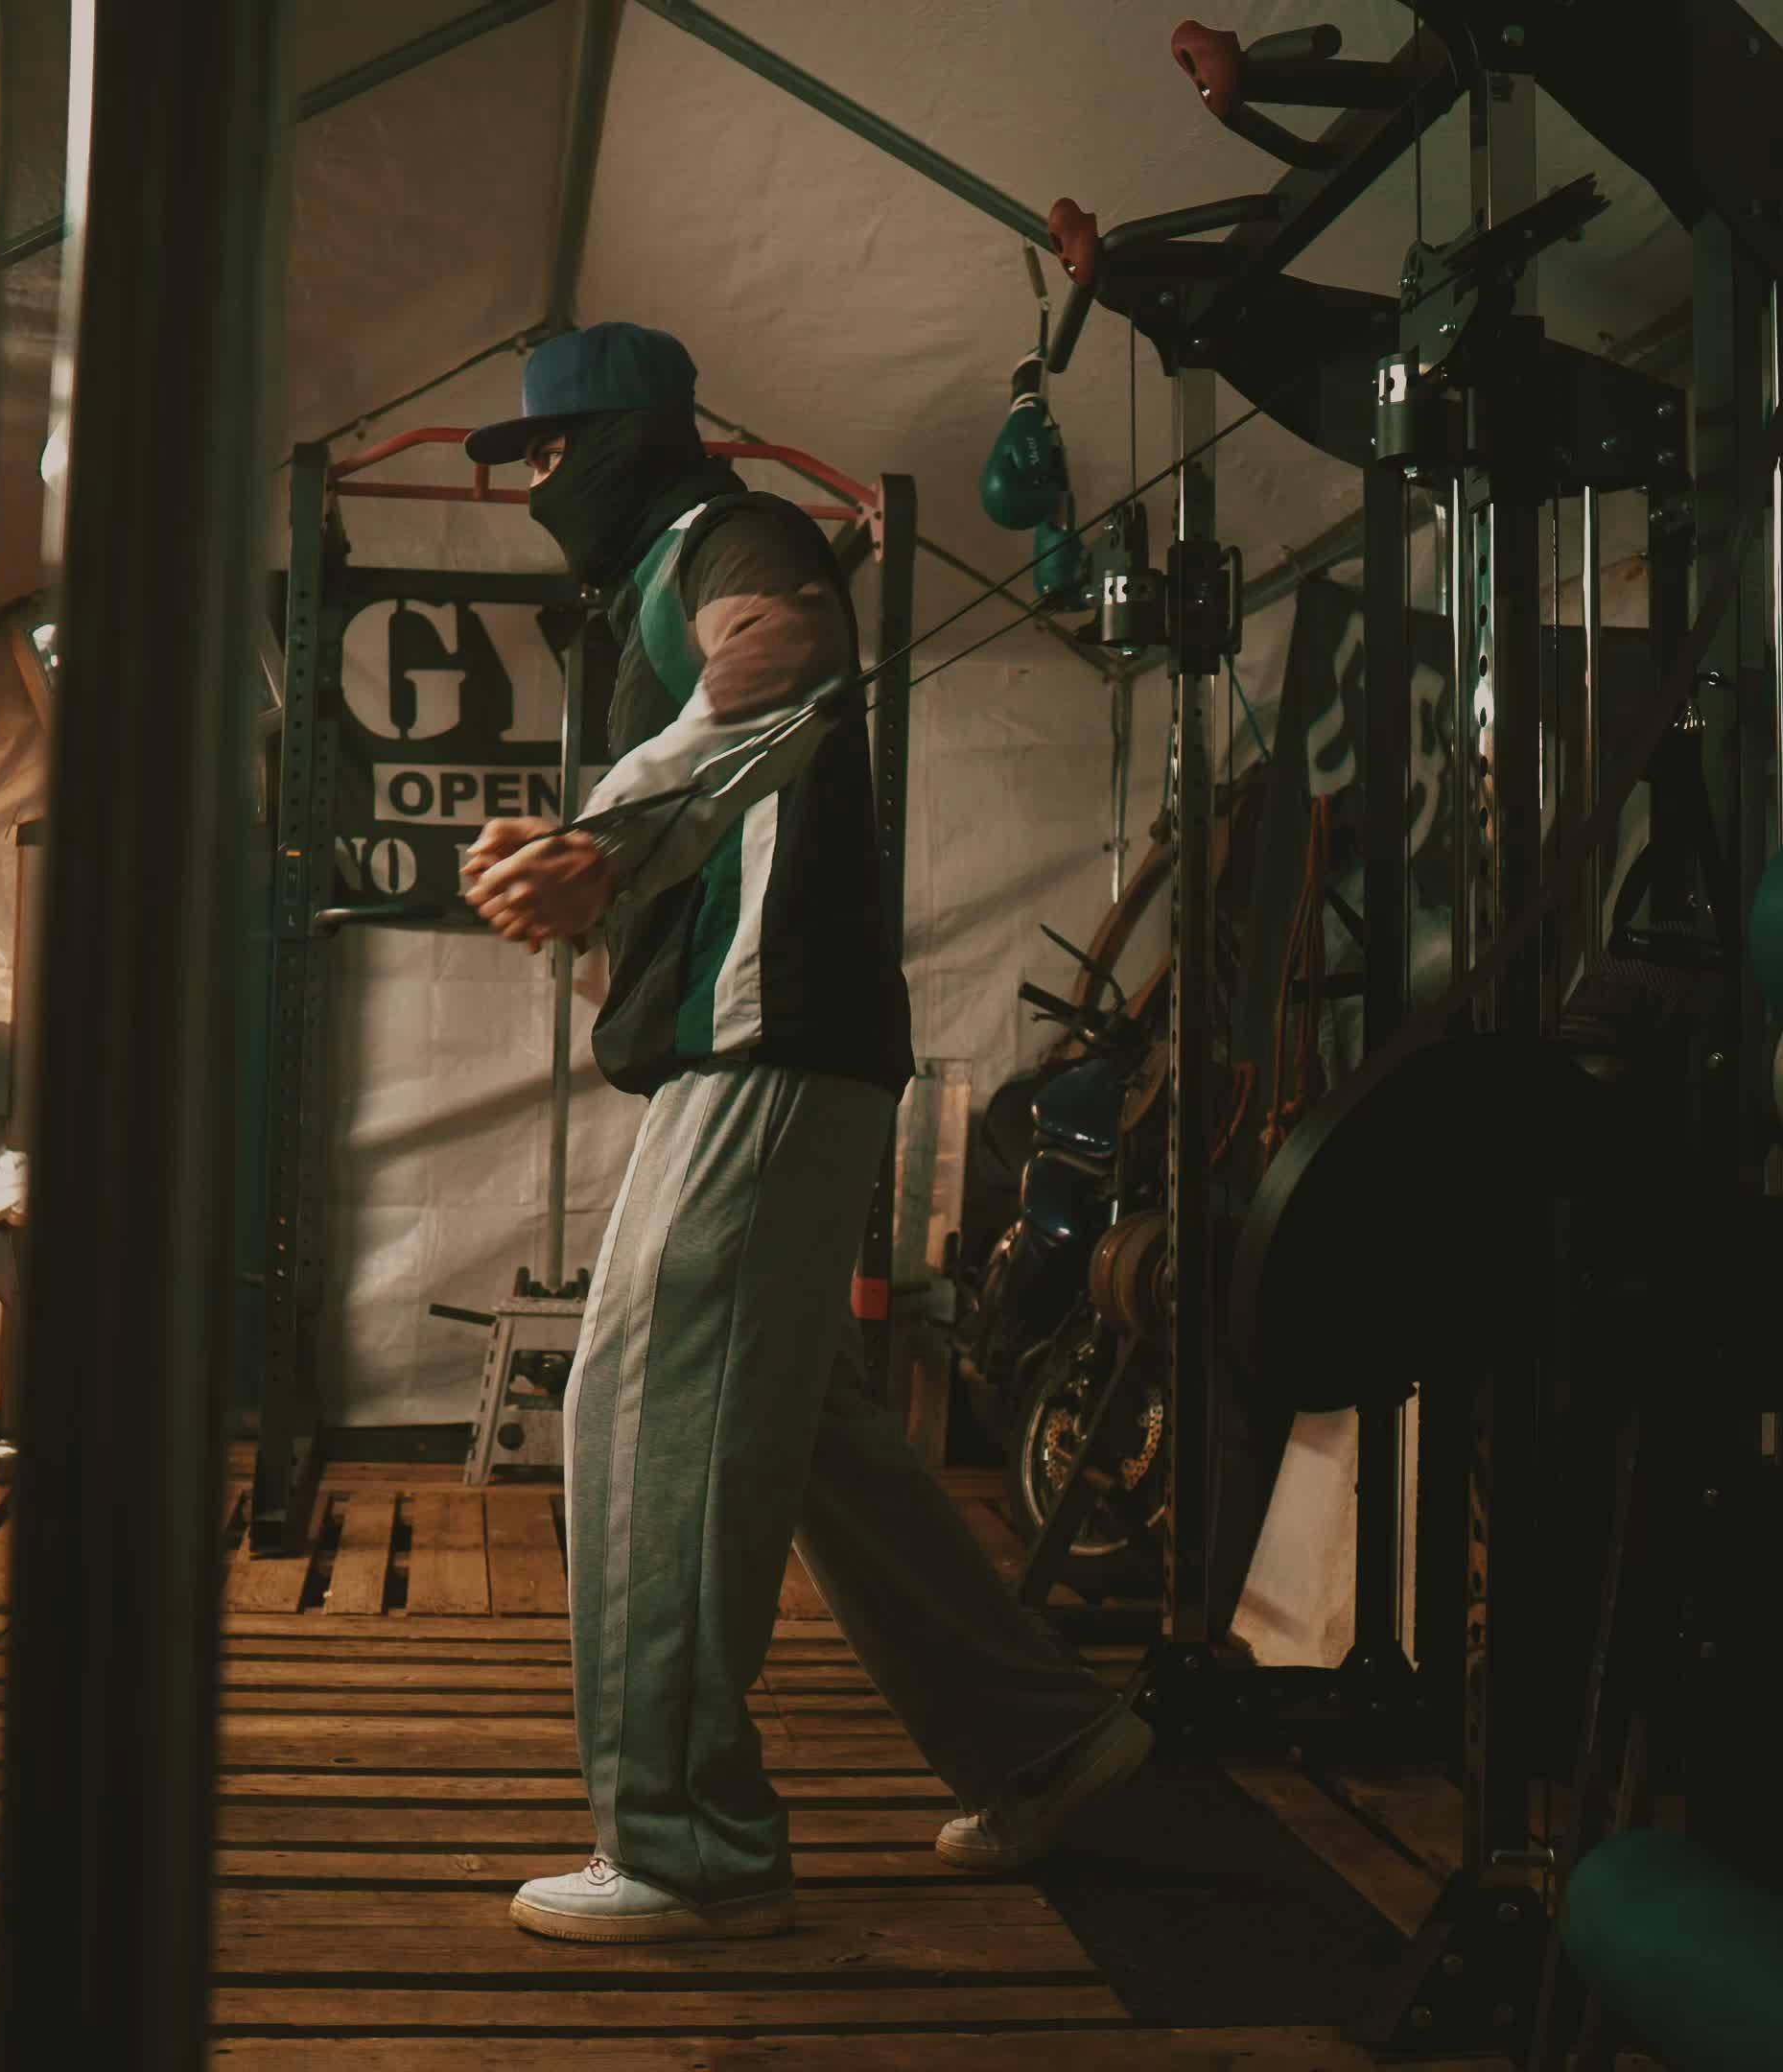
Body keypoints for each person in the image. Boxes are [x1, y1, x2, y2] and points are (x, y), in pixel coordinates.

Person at [455, 322, 1151, 1944]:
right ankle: (1044, 1740)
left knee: (644, 1411)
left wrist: (605, 837)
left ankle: (692, 1846)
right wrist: (586, 884)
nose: (539, 481)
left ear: (627, 440)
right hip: (765, 1051)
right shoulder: (655, 581)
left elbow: (784, 657)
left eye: (552, 448)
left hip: (766, 1050)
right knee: (810, 1433)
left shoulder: (730, 531)